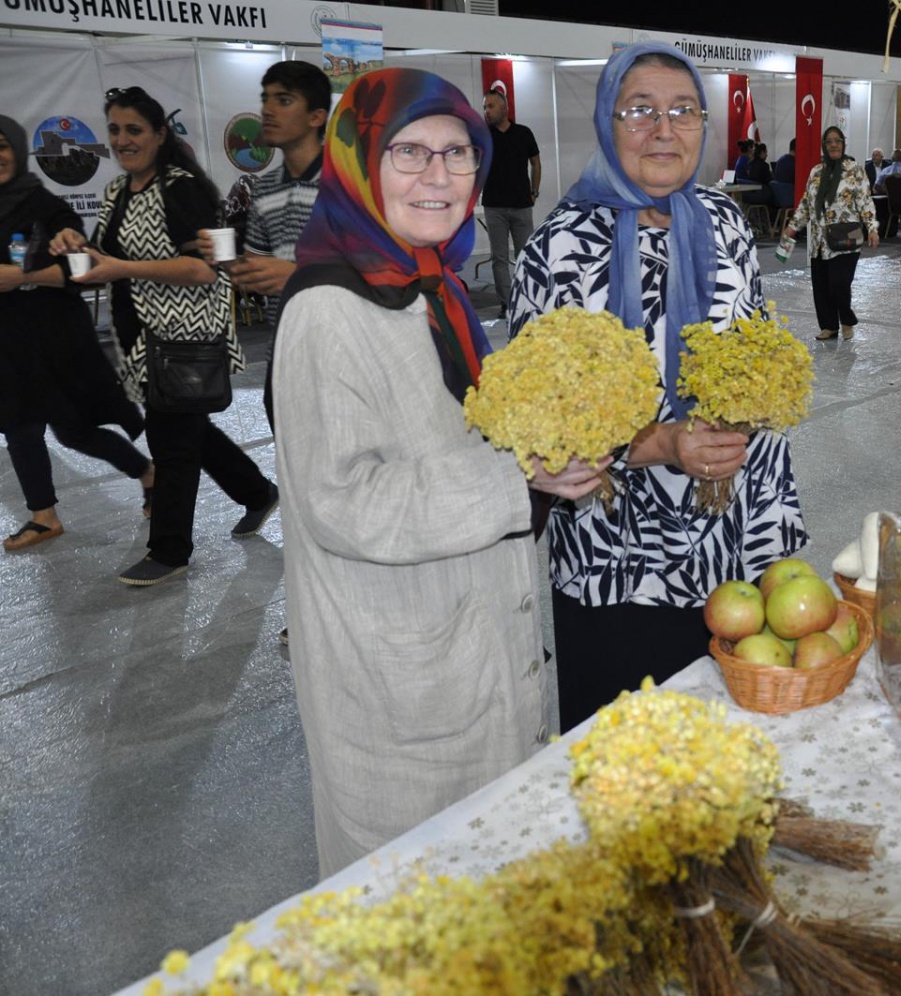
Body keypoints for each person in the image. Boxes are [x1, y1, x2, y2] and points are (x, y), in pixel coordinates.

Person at [271, 67, 597, 876]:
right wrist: (519, 482)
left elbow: (457, 447)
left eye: (459, 154)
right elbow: (342, 502)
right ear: (360, 161)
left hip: (470, 636)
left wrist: (546, 471)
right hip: (397, 675)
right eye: (409, 152)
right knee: (417, 897)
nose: (439, 176)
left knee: (491, 878)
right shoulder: (328, 310)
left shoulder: (430, 286)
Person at [511, 42, 810, 731]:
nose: (663, 130)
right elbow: (538, 421)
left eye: (683, 112)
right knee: (627, 752)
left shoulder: (727, 222)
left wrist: (746, 413)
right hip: (619, 552)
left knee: (725, 742)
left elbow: (754, 343)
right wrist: (664, 443)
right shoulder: (558, 249)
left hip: (734, 535)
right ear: (607, 122)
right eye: (639, 110)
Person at [50, 87, 277, 586]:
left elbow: (202, 269)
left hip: (187, 336)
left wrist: (122, 266)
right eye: (114, 130)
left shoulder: (183, 188)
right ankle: (258, 493)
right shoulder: (114, 193)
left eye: (133, 129)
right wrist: (75, 246)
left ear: (157, 134)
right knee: (190, 429)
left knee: (172, 441)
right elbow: (102, 261)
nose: (122, 140)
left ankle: (170, 549)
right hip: (141, 339)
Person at [1, 114, 153, 552]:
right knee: (19, 426)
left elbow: (81, 270)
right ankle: (43, 516)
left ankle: (148, 474)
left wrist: (20, 277)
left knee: (75, 431)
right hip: (7, 342)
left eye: (1, 145)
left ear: (17, 147)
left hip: (54, 340)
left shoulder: (47, 207)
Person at [192, 60, 329, 434]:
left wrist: (298, 275)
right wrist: (227, 261)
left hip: (344, 357)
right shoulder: (264, 187)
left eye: (284, 100)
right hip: (284, 358)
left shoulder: (348, 180)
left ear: (316, 116)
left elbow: (383, 267)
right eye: (265, 98)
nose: (267, 110)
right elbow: (258, 270)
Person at [787, 125, 880, 341]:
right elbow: (806, 203)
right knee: (821, 286)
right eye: (829, 141)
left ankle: (846, 319)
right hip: (819, 239)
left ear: (843, 143)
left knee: (839, 283)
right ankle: (829, 326)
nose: (834, 144)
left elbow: (865, 200)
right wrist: (793, 226)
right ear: (824, 145)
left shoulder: (854, 169)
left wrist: (872, 228)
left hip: (846, 236)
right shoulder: (816, 171)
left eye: (837, 140)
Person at [479, 83, 542, 315]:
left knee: (525, 255)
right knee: (499, 258)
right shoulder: (483, 137)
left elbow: (535, 162)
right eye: (485, 106)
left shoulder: (523, 133)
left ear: (505, 109)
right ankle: (507, 303)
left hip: (521, 206)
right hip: (494, 206)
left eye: (491, 106)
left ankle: (527, 298)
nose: (487, 111)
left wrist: (535, 191)